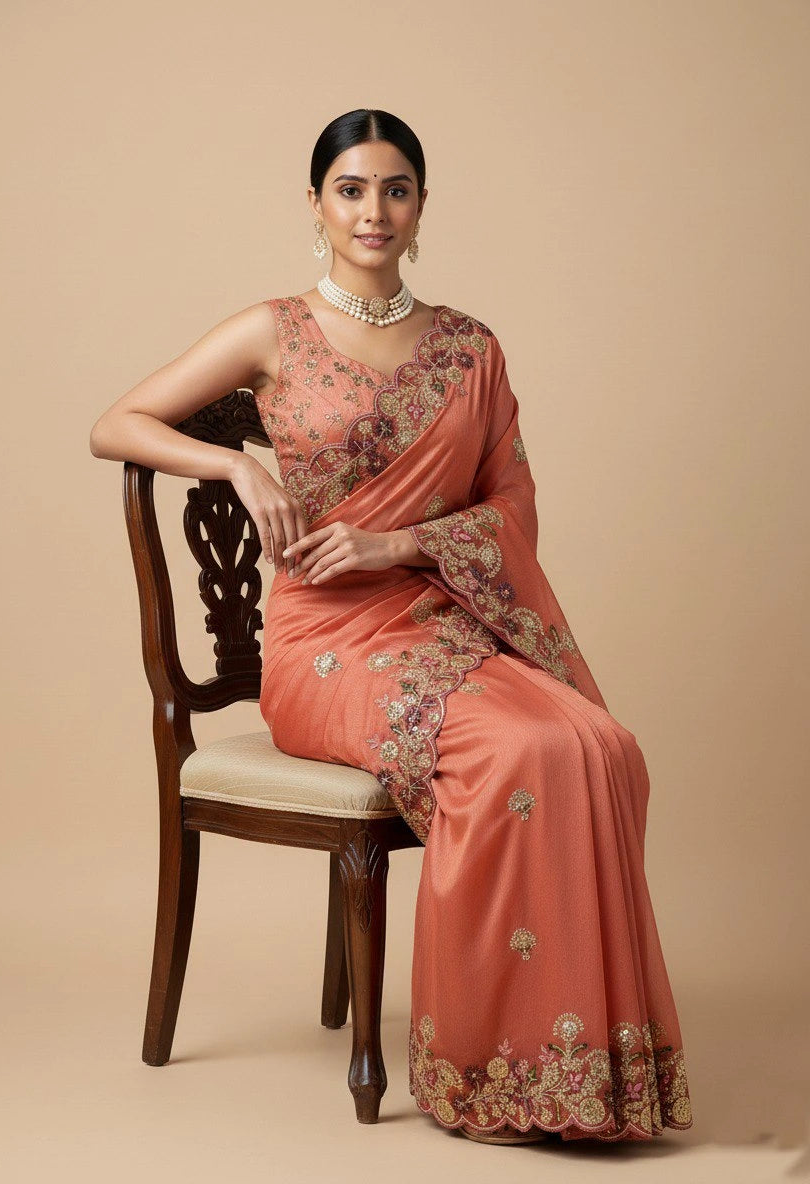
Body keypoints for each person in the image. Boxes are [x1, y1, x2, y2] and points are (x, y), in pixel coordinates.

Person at [90, 108, 693, 1146]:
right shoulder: (269, 331)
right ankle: (501, 1072)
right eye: (352, 188)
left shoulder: (471, 350)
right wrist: (238, 461)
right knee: (519, 746)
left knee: (599, 745)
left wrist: (399, 544)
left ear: (421, 210)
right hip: (327, 650)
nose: (375, 209)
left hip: (441, 619)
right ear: (317, 206)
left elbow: (513, 510)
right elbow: (117, 424)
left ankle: (586, 1065)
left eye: (397, 189)